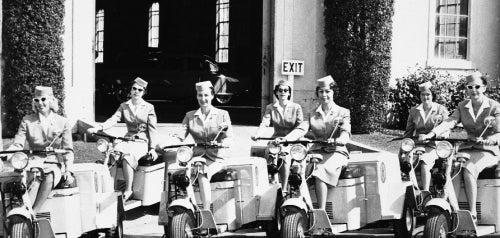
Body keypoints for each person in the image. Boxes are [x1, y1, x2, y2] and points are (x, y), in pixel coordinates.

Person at [420, 71, 500, 221]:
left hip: (488, 151)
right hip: (468, 149)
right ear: (467, 89)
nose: (474, 90)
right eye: (470, 87)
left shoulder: (494, 106)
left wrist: (491, 139)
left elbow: (499, 132)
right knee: (453, 167)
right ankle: (454, 211)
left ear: (484, 88)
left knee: (469, 168)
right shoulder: (462, 106)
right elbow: (450, 121)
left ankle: (471, 214)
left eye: (477, 86)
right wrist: (431, 134)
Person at [87, 77, 158, 201]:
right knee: (113, 154)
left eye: (140, 90)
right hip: (128, 139)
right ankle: (110, 189)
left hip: (141, 141)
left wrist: (152, 148)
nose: (136, 92)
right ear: (130, 90)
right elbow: (113, 119)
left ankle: (129, 190)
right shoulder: (124, 106)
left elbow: (152, 129)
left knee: (127, 156)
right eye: (134, 89)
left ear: (143, 92)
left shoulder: (148, 107)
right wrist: (99, 127)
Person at [7, 86, 75, 213]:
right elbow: (18, 144)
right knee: (34, 175)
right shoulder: (27, 121)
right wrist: (7, 155)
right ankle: (23, 212)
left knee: (49, 176)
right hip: (32, 163)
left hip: (52, 163)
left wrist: (69, 170)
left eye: (43, 99)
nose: (40, 103)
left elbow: (68, 150)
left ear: (51, 101)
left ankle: (34, 212)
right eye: (36, 100)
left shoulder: (62, 122)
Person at [177, 81, 233, 210]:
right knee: (182, 175)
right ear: (196, 96)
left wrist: (221, 144)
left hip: (216, 159)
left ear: (213, 96)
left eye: (206, 95)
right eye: (200, 95)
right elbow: (180, 135)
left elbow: (229, 137)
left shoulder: (222, 114)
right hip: (196, 157)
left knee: (202, 171)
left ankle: (206, 210)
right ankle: (190, 207)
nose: (203, 99)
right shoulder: (190, 116)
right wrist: (167, 143)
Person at [303, 75, 351, 210]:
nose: (324, 95)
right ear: (317, 93)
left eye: (327, 91)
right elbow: (301, 129)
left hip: (336, 152)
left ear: (333, 92)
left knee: (319, 172)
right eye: (321, 91)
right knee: (298, 171)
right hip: (316, 152)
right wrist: (286, 138)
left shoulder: (342, 112)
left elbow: (345, 132)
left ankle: (321, 215)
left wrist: (339, 140)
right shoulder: (312, 113)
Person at [251, 79, 306, 191]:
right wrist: (258, 134)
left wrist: (289, 138)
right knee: (270, 153)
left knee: (285, 157)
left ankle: (284, 188)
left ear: (289, 93)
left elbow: (300, 127)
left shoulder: (296, 107)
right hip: (276, 140)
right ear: (276, 92)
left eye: (286, 90)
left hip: (292, 141)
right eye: (280, 90)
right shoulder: (270, 107)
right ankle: (271, 181)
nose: (283, 92)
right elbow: (265, 122)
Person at [403, 81, 449, 190]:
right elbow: (408, 133)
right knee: (407, 162)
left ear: (433, 95)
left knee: (424, 161)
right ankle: (413, 190)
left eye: (428, 94)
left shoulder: (440, 109)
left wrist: (442, 135)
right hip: (417, 146)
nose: (425, 97)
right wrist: (403, 150)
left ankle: (425, 192)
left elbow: (446, 129)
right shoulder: (414, 111)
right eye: (422, 94)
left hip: (434, 146)